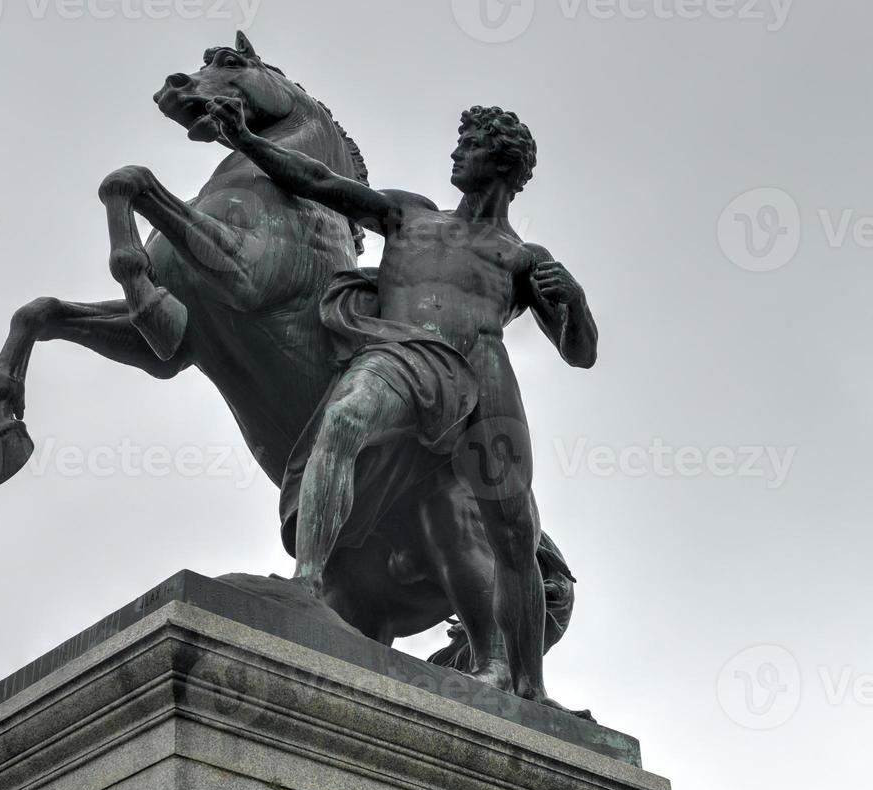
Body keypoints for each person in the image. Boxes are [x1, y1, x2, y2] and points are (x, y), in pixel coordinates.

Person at [207, 99, 597, 701]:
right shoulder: (410, 214)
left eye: (467, 146)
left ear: (499, 163)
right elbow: (317, 180)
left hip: (486, 375)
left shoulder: (523, 258)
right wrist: (249, 141)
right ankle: (307, 582)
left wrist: (574, 303)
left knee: (513, 529)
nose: (455, 153)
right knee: (344, 419)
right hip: (407, 351)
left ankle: (524, 683)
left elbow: (581, 352)